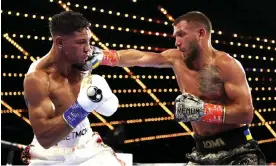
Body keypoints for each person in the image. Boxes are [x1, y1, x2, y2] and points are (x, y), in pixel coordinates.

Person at [91, 11, 266, 165]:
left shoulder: (226, 65)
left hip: (238, 151)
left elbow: (246, 113)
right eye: (175, 36)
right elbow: (140, 57)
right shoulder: (176, 59)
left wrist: (204, 111)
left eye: (181, 35)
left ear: (201, 33)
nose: (176, 42)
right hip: (202, 153)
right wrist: (105, 56)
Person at [21, 11, 125, 166]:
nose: (88, 49)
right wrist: (81, 109)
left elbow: (134, 58)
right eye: (81, 42)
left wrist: (171, 59)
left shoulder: (84, 61)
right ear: (60, 42)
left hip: (87, 146)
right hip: (50, 155)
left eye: (89, 41)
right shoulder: (37, 78)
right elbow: (45, 139)